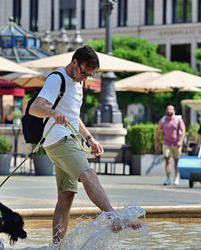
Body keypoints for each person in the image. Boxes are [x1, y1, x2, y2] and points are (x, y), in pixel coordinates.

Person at [29, 45, 140, 245]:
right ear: (74, 63)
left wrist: (90, 138)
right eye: (84, 73)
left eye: (89, 75)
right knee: (88, 173)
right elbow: (35, 108)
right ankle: (113, 215)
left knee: (66, 197)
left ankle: (56, 247)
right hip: (58, 138)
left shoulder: (78, 83)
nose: (85, 78)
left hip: (69, 138)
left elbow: (74, 116)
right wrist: (53, 113)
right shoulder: (57, 78)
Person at [154, 105, 186, 186]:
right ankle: (168, 178)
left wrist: (180, 141)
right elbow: (159, 132)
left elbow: (183, 131)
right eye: (168, 109)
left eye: (171, 109)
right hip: (166, 143)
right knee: (167, 160)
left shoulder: (178, 120)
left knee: (176, 160)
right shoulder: (163, 120)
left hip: (176, 143)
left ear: (174, 111)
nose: (169, 111)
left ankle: (176, 177)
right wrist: (157, 142)